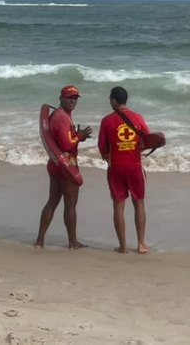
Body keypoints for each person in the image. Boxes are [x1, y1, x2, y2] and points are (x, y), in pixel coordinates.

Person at [35, 85, 92, 249]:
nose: (73, 101)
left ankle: (40, 241)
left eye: (75, 98)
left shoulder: (59, 115)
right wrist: (79, 137)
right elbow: (66, 145)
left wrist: (76, 136)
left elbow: (62, 140)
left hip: (55, 163)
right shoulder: (62, 117)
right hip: (66, 166)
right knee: (70, 205)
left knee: (52, 202)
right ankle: (72, 242)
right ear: (61, 98)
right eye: (69, 98)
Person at [98, 86, 152, 254]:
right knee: (139, 204)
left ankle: (122, 247)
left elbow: (102, 147)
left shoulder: (107, 121)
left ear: (114, 101)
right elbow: (148, 140)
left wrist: (109, 156)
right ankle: (141, 244)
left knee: (118, 206)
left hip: (116, 168)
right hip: (135, 166)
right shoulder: (138, 117)